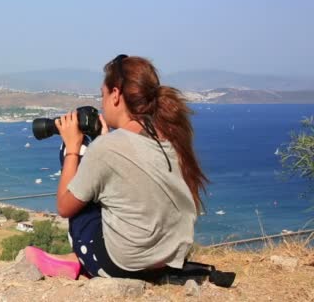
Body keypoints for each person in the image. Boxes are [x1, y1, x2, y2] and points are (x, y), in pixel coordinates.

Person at [25, 55, 208, 280]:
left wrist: (73, 148)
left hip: (124, 266)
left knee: (74, 160)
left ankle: (79, 259)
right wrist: (104, 140)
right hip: (168, 261)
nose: (101, 104)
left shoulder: (107, 148)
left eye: (102, 95)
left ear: (116, 95)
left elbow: (64, 207)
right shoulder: (170, 137)